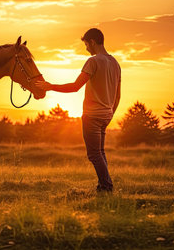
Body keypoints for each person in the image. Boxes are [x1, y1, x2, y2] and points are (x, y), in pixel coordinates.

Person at [36, 28, 121, 192]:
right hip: (106, 115)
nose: (87, 49)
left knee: (94, 154)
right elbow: (117, 96)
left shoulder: (93, 62)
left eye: (86, 45)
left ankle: (107, 187)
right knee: (100, 152)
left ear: (93, 42)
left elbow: (75, 87)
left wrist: (50, 86)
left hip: (93, 115)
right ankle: (103, 185)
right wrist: (110, 113)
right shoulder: (115, 64)